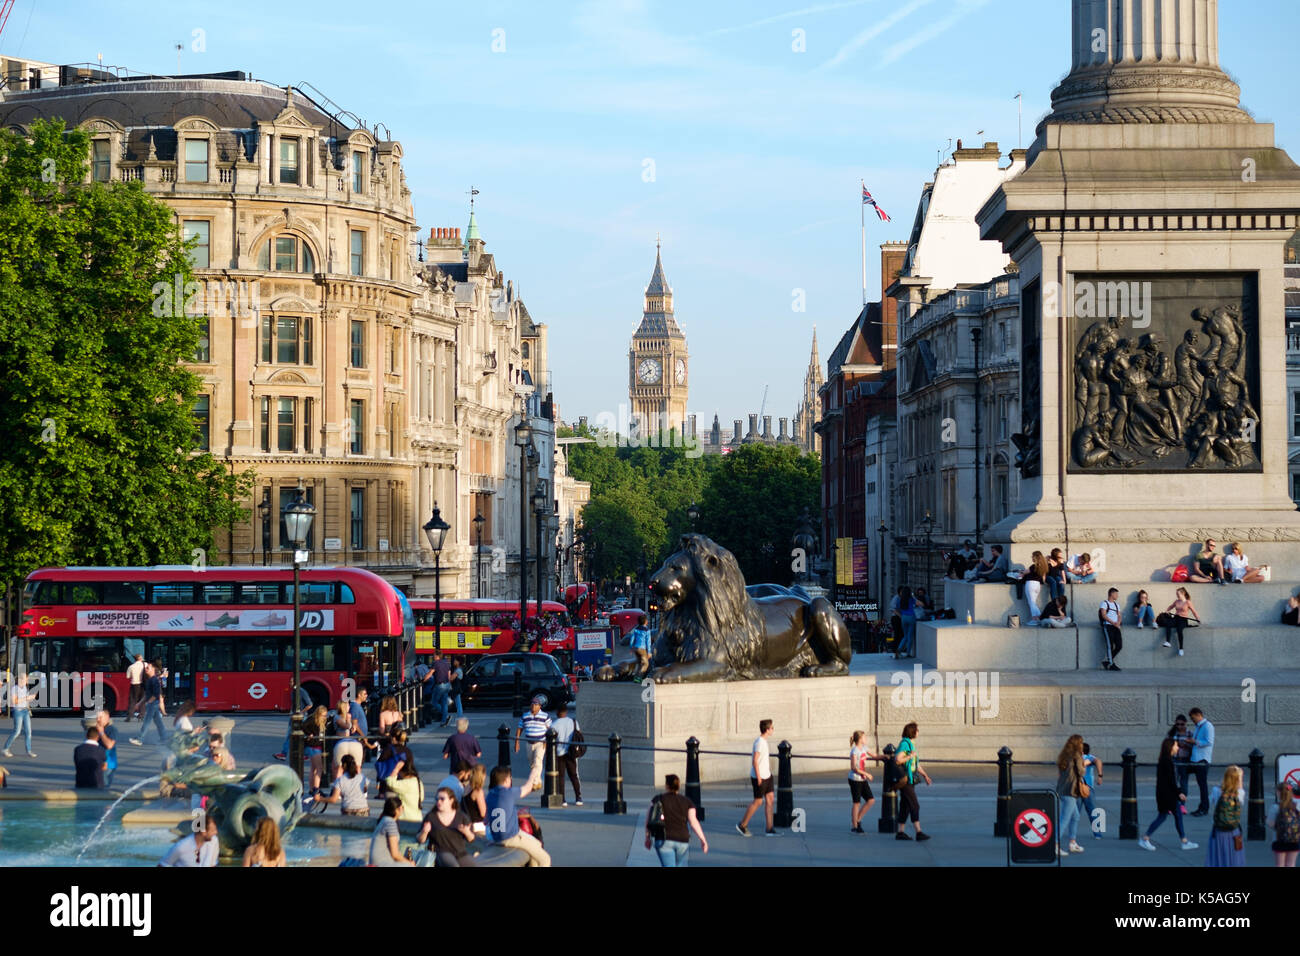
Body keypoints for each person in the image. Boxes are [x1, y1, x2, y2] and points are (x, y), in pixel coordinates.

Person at [1137, 738, 1198, 852]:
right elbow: (1171, 780)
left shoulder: (1165, 760)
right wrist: (1179, 792)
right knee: (1165, 816)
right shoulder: (1167, 761)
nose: (1178, 748)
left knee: (1173, 816)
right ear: (1170, 747)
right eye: (1176, 745)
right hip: (1168, 795)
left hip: (1165, 794)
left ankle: (1184, 841)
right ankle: (1145, 838)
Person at [484, 765, 550, 866]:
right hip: (510, 838)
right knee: (545, 858)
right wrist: (533, 774)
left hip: (496, 837)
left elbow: (486, 820)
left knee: (536, 845)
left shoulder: (490, 795)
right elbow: (527, 788)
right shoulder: (508, 793)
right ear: (506, 780)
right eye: (510, 778)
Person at [644, 773, 708, 867]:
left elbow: (648, 820)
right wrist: (703, 839)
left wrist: (647, 838)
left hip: (664, 838)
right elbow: (693, 822)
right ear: (678, 786)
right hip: (682, 840)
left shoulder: (657, 799)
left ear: (666, 786)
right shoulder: (687, 801)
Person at [736, 718, 777, 837]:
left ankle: (769, 829)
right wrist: (759, 778)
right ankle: (742, 825)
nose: (773, 730)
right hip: (759, 777)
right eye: (772, 728)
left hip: (767, 776)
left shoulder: (764, 741)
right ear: (767, 729)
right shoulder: (759, 742)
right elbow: (755, 761)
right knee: (758, 801)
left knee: (770, 800)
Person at [416, 787, 477, 867]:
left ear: (451, 800)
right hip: (440, 852)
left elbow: (471, 839)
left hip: (460, 853)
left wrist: (467, 832)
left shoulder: (461, 817)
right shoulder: (431, 817)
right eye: (437, 799)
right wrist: (425, 831)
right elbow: (420, 840)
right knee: (453, 865)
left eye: (442, 799)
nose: (439, 801)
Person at [892, 722, 932, 841]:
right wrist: (910, 756)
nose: (918, 732)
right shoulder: (905, 744)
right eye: (917, 730)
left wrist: (925, 775)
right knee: (915, 805)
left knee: (905, 806)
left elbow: (915, 764)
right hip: (905, 780)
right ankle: (918, 832)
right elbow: (898, 759)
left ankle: (900, 832)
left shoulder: (911, 744)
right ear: (913, 732)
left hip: (910, 779)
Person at [1205, 766, 1247, 867]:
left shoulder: (1216, 791)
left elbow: (1210, 801)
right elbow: (1240, 790)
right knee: (1234, 859)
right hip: (1233, 831)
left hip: (1219, 830)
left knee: (1218, 859)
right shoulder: (1240, 793)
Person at [1055, 734, 1087, 856]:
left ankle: (1072, 843)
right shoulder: (1077, 756)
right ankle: (1055, 844)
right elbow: (1081, 772)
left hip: (1062, 789)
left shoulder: (1064, 755)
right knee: (1065, 818)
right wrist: (1085, 763)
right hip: (1071, 790)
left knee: (1076, 816)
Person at [1182, 707, 1215, 816]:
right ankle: (1181, 801)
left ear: (1198, 715)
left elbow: (1209, 742)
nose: (1192, 720)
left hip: (1202, 760)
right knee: (1182, 773)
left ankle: (1204, 808)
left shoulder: (1208, 726)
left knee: (1202, 785)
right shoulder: (1198, 727)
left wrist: (1195, 741)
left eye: (1193, 718)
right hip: (1195, 759)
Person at [847, 730, 881, 833]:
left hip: (862, 779)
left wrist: (886, 757)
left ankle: (858, 819)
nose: (866, 739)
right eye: (865, 737)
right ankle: (855, 826)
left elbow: (875, 756)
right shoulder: (854, 751)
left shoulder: (864, 748)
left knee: (871, 800)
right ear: (860, 739)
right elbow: (853, 767)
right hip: (855, 779)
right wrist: (867, 774)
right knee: (856, 803)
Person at [514, 696, 551, 790]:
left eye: (536, 704)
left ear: (540, 706)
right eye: (532, 704)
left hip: (541, 742)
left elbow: (550, 729)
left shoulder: (545, 716)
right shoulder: (525, 716)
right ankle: (537, 780)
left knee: (538, 761)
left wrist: (547, 741)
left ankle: (535, 782)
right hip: (529, 743)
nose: (533, 706)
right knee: (532, 763)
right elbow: (519, 729)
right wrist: (517, 742)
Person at [128, 661, 168, 746]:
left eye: (148, 667)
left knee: (146, 722)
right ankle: (165, 738)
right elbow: (146, 694)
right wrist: (139, 703)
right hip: (152, 703)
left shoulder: (154, 680)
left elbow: (155, 694)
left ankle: (140, 739)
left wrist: (148, 703)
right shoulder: (150, 680)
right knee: (158, 722)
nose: (145, 668)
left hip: (153, 704)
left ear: (153, 669)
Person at [551, 701, 583, 806]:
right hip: (572, 752)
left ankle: (563, 799)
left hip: (559, 753)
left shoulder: (554, 725)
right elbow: (579, 734)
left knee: (561, 777)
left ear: (557, 712)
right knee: (574, 775)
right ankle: (578, 797)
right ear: (566, 711)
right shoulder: (573, 722)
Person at [369, 797, 413, 866]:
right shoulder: (390, 823)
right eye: (402, 807)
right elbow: (395, 854)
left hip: (378, 861)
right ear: (397, 810)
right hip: (382, 863)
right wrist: (409, 863)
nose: (403, 809)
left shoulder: (384, 820)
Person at [2, 671, 37, 759]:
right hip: (18, 711)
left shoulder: (25, 688)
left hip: (25, 711)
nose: (27, 680)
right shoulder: (15, 688)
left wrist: (30, 699)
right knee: (17, 731)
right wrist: (26, 698)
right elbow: (14, 702)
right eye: (26, 678)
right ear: (21, 679)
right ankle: (6, 748)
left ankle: (29, 750)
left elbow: (25, 700)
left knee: (28, 732)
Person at [1161, 586, 1201, 656]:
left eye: (1178, 594)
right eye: (1176, 594)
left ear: (1183, 593)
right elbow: (1170, 606)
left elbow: (1194, 611)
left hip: (1183, 619)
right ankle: (1168, 642)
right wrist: (1167, 610)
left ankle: (1181, 648)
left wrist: (1197, 618)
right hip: (1176, 617)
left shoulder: (1188, 602)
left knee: (1179, 630)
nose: (1177, 595)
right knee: (1168, 624)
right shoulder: (1176, 601)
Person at [1267, 782, 1300, 867]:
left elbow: (1271, 824)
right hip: (1294, 840)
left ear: (1278, 792)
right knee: (1291, 864)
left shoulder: (1275, 807)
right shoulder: (1296, 806)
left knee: (1280, 864)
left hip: (1279, 839)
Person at [303, 705, 328, 795]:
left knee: (313, 768)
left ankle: (312, 788)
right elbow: (303, 726)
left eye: (325, 715)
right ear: (318, 714)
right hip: (314, 747)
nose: (325, 717)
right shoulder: (313, 720)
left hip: (315, 746)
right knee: (319, 768)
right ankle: (316, 788)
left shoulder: (320, 722)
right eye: (323, 715)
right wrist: (309, 734)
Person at [1080, 743, 1103, 838]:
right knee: (1092, 811)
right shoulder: (1090, 757)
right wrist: (1100, 775)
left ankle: (1070, 836)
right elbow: (1098, 761)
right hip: (1088, 788)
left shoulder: (1082, 757)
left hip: (1079, 788)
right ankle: (1098, 834)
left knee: (1074, 812)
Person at [1018, 551, 1049, 622]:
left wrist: (1021, 572)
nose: (1031, 557)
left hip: (1030, 584)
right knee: (1033, 602)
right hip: (1037, 585)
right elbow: (1043, 579)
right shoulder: (1043, 567)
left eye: (1032, 556)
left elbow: (1025, 572)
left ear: (1035, 557)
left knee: (1031, 603)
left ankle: (1037, 618)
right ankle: (1037, 618)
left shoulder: (1033, 566)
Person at [331, 709, 364, 773]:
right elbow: (346, 726)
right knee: (339, 766)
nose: (349, 707)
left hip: (348, 741)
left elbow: (351, 727)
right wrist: (348, 720)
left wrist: (353, 726)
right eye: (348, 705)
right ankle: (338, 781)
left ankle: (358, 780)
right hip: (340, 741)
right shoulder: (338, 717)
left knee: (357, 765)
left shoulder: (347, 716)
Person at [1098, 587, 1123, 670]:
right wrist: (1113, 623)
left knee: (1119, 645)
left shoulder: (1117, 605)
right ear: (1111, 594)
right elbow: (1103, 615)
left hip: (1116, 627)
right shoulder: (1104, 603)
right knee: (1110, 645)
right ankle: (1111, 664)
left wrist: (1118, 623)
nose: (1117, 596)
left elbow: (1119, 615)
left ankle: (1107, 661)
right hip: (1108, 626)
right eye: (1116, 594)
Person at [890, 586, 917, 659]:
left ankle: (898, 650)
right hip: (910, 617)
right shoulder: (911, 599)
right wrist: (913, 596)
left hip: (903, 618)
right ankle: (908, 653)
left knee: (904, 635)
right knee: (910, 636)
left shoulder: (900, 599)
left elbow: (896, 608)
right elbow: (920, 604)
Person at [96, 710, 119, 788]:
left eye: (100, 717)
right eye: (97, 717)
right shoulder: (97, 729)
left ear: (107, 718)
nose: (98, 719)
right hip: (98, 763)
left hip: (107, 765)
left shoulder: (111, 729)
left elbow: (109, 745)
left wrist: (101, 733)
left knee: (103, 788)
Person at [628, 613, 653, 680]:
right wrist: (649, 652)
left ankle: (635, 677)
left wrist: (631, 648)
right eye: (647, 620)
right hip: (642, 648)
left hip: (636, 648)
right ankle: (639, 678)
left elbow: (632, 639)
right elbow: (648, 642)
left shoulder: (636, 629)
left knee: (639, 663)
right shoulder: (647, 630)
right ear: (645, 621)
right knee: (645, 664)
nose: (647, 621)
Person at [464, 764, 488, 834]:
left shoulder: (467, 787)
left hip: (468, 822)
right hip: (477, 826)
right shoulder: (478, 792)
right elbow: (483, 813)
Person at [125, 654, 146, 721]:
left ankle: (130, 716)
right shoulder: (145, 665)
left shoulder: (131, 667)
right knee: (142, 700)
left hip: (134, 684)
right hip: (143, 684)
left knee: (132, 700)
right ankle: (141, 715)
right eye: (141, 657)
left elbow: (128, 677)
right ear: (140, 658)